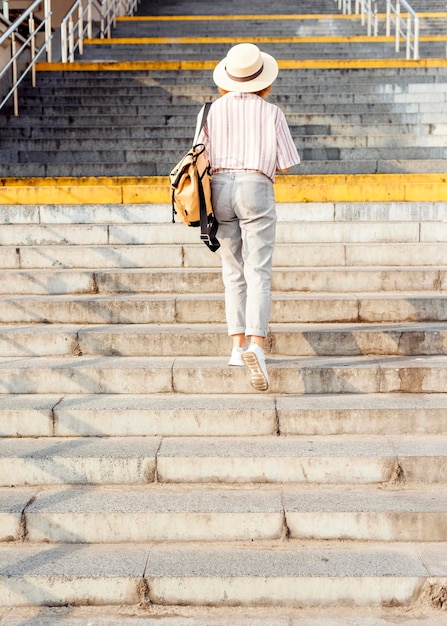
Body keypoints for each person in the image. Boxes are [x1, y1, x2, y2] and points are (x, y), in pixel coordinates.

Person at [195, 43, 300, 392]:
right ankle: (257, 344)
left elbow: (199, 157)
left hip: (219, 187)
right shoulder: (272, 113)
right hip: (255, 187)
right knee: (258, 270)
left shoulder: (209, 112)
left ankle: (237, 347)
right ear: (262, 79)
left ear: (227, 77)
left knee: (233, 272)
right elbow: (285, 162)